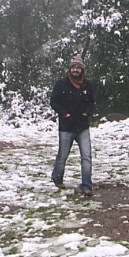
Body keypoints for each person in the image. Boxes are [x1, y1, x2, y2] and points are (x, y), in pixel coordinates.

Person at [50, 54, 96, 196]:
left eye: (78, 67)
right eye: (73, 67)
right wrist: (65, 114)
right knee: (63, 155)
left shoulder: (88, 85)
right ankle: (57, 178)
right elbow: (54, 102)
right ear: (70, 69)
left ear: (82, 70)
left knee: (86, 156)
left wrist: (86, 114)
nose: (76, 70)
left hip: (83, 127)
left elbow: (91, 103)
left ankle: (87, 185)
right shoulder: (61, 84)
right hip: (66, 126)